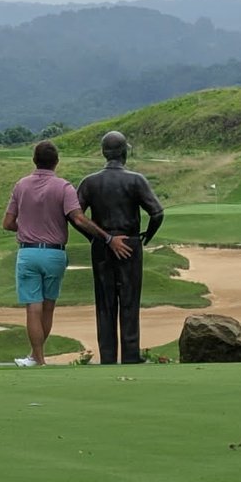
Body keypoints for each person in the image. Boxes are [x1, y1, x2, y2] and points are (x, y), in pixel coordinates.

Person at [3, 140, 131, 366]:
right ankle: (36, 357)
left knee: (33, 308)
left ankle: (37, 358)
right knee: (48, 307)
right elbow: (79, 219)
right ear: (56, 162)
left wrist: (26, 228)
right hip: (55, 254)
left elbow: (8, 223)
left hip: (29, 253)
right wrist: (109, 238)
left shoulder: (21, 185)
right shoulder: (64, 187)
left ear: (34, 160)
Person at [76, 131, 164, 365]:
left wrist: (93, 237)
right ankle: (131, 355)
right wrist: (146, 237)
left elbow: (76, 216)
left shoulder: (89, 182)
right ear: (125, 152)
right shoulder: (136, 180)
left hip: (101, 245)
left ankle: (107, 357)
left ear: (104, 153)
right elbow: (157, 213)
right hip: (130, 243)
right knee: (129, 301)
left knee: (105, 303)